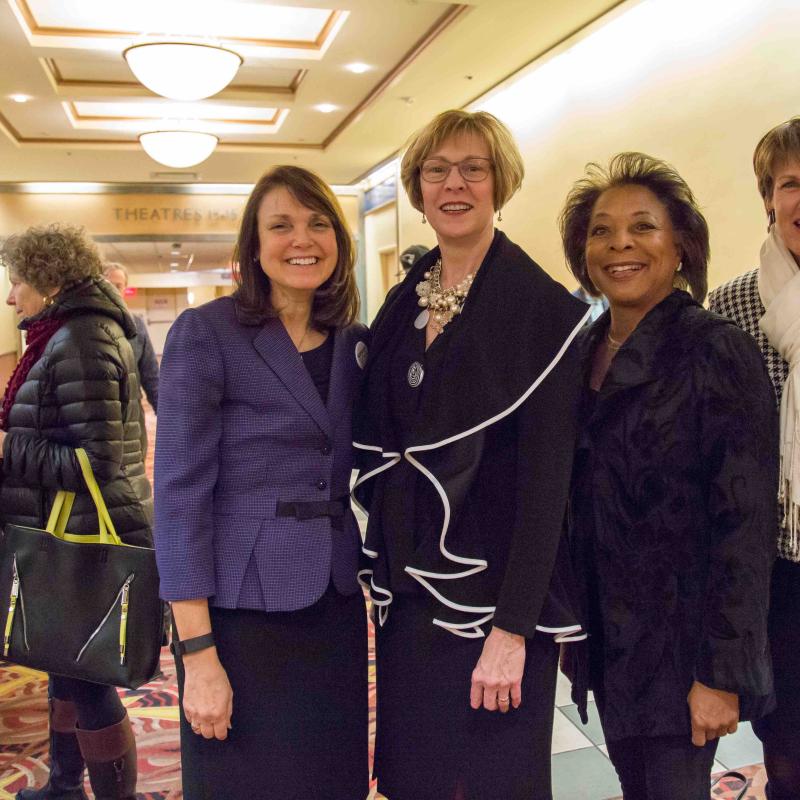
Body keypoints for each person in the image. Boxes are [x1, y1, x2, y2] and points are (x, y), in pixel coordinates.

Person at [353, 109, 590, 800]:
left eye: (472, 169)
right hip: (409, 600)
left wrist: (512, 633)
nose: (454, 184)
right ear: (418, 187)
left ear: (500, 183)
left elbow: (549, 492)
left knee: (491, 784)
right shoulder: (405, 302)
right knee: (416, 778)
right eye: (436, 170)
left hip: (494, 603)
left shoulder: (543, 312)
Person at [561, 152, 777, 800]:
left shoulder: (713, 349)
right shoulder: (584, 349)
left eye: (642, 227)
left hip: (682, 651)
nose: (619, 243)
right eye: (601, 230)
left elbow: (745, 523)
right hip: (609, 642)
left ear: (681, 245)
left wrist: (722, 672)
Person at [154, 165, 369, 800]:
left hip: (333, 600)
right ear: (254, 245)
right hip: (240, 613)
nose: (301, 239)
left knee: (330, 781)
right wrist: (197, 654)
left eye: (318, 223)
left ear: (339, 240)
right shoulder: (208, 332)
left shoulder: (356, 343)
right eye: (281, 225)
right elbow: (180, 494)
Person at [0, 224, 151, 800]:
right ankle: (64, 786)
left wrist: (8, 447)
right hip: (65, 532)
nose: (12, 296)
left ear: (48, 278)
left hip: (85, 538)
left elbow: (98, 462)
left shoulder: (81, 338)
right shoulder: (62, 334)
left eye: (17, 282)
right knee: (64, 669)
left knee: (88, 681)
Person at [708, 117, 800, 799]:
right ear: (769, 199)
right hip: (775, 567)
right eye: (792, 183)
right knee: (789, 743)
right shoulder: (733, 304)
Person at [102, 263, 159, 412]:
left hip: (132, 408)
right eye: (108, 285)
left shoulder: (136, 325)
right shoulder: (85, 323)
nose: (113, 290)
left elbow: (150, 374)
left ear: (125, 289)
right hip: (99, 411)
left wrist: (166, 416)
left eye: (118, 286)